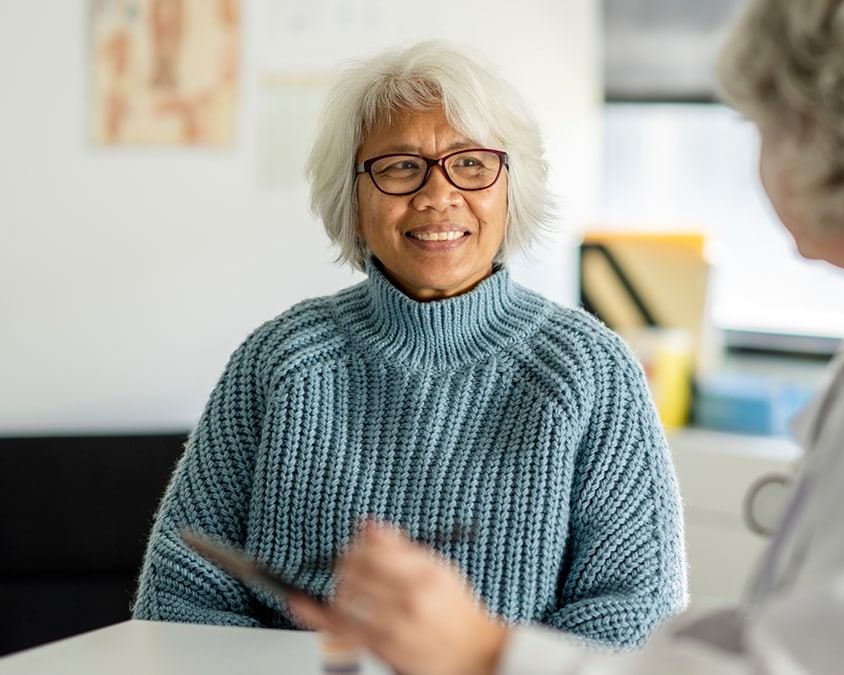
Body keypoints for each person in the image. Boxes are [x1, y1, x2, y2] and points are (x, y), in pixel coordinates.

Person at [289, 0, 844, 673]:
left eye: (761, 127)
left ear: (835, 135)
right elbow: (803, 631)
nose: (756, 162)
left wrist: (489, 652)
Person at [132, 41, 687, 650]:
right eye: (400, 166)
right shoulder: (280, 360)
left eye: (471, 164)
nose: (437, 195)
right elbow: (176, 600)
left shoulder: (590, 370)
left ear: (511, 188)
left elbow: (638, 614)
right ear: (355, 199)